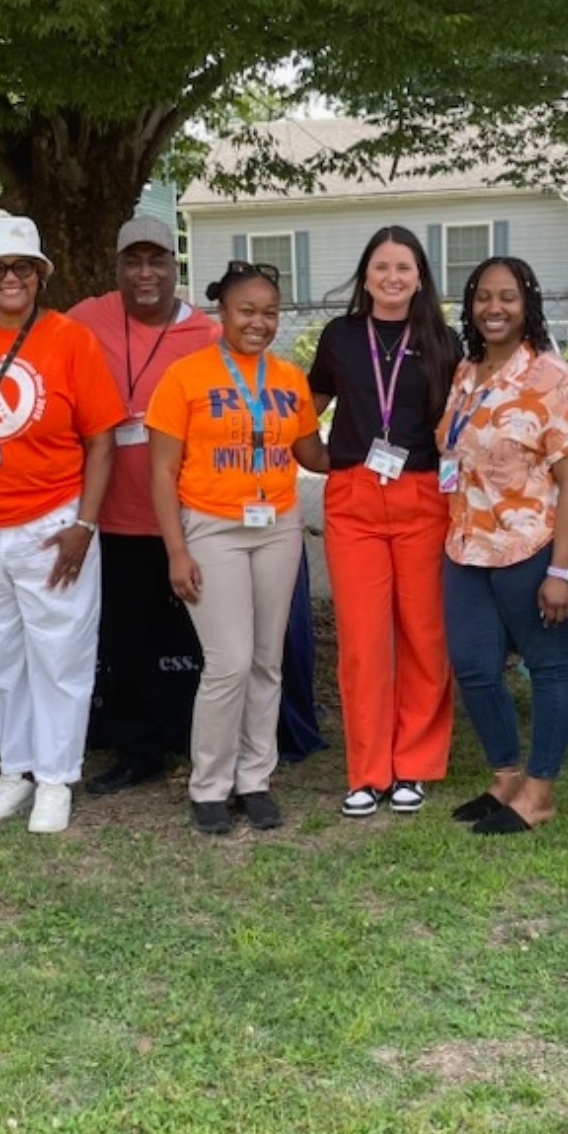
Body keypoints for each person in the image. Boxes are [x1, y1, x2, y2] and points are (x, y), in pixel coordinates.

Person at [0, 215, 125, 835]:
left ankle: (55, 777)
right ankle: (15, 769)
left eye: (22, 266)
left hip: (52, 522)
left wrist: (85, 524)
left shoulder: (70, 339)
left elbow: (101, 440)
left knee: (59, 655)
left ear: (40, 274)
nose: (10, 278)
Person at [148, 259, 330, 834]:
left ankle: (255, 780)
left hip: (277, 526)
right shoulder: (185, 377)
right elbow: (161, 472)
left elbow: (312, 454)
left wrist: (377, 440)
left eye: (270, 312)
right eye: (246, 310)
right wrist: (177, 550)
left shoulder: (289, 379)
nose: (259, 322)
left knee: (266, 660)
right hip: (211, 527)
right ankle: (209, 785)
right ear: (221, 313)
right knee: (228, 661)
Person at [440, 256, 568, 835]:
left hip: (533, 546)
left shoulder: (553, 379)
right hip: (467, 546)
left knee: (548, 665)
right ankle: (506, 777)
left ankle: (540, 791)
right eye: (483, 296)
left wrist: (561, 571)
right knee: (474, 666)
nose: (494, 308)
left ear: (527, 303)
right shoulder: (466, 372)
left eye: (508, 296)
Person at [310, 226, 461, 817]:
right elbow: (307, 408)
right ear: (365, 275)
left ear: (420, 277)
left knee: (424, 634)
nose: (392, 277)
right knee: (362, 639)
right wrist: (320, 459)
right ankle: (368, 771)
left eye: (403, 267)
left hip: (422, 495)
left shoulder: (443, 341)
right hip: (354, 498)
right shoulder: (341, 336)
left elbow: (457, 425)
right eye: (381, 267)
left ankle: (414, 764)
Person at [67, 216, 220, 795]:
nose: (145, 272)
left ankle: (210, 746)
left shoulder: (206, 333)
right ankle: (138, 752)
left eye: (157, 260)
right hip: (115, 515)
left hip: (191, 515)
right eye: (133, 261)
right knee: (126, 644)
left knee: (212, 642)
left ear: (175, 266)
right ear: (117, 267)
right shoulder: (86, 318)